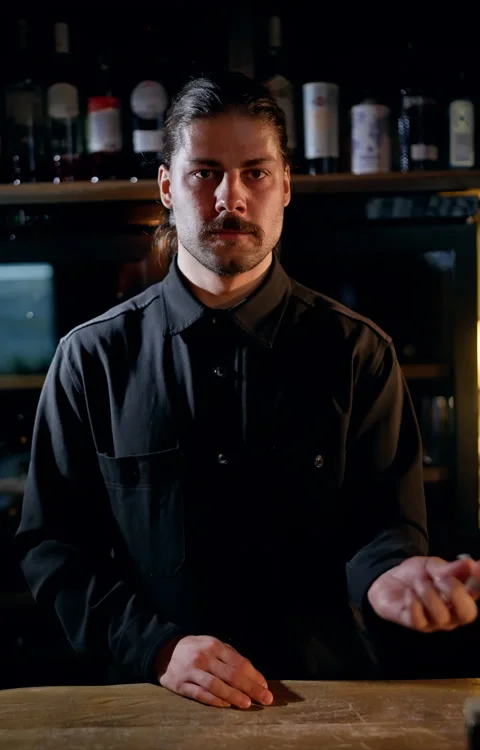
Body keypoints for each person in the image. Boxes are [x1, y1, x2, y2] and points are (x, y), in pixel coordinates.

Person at [15, 71, 480, 709]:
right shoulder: (91, 358)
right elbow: (52, 550)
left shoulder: (358, 352)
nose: (230, 197)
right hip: (150, 712)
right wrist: (157, 648)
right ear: (166, 186)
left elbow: (387, 528)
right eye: (204, 171)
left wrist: (390, 577)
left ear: (285, 184)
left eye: (255, 172)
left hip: (327, 706)